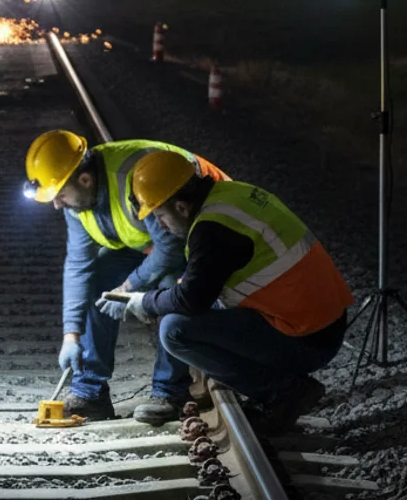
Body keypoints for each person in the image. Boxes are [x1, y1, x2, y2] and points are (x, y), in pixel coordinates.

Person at [113, 150, 355, 435]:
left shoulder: (211, 230)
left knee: (175, 330)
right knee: (195, 310)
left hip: (307, 340)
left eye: (160, 215)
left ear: (180, 207)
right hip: (322, 322)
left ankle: (285, 392)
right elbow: (204, 284)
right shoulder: (229, 195)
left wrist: (146, 302)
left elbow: (192, 300)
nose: (162, 226)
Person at [23, 130, 232, 423]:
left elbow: (171, 249)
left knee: (173, 286)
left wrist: (130, 287)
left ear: (84, 180)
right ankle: (90, 393)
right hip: (154, 241)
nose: (57, 205)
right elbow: (78, 265)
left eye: (59, 196)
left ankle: (170, 392)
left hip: (202, 234)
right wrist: (70, 335)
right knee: (98, 281)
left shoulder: (133, 177)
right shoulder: (78, 200)